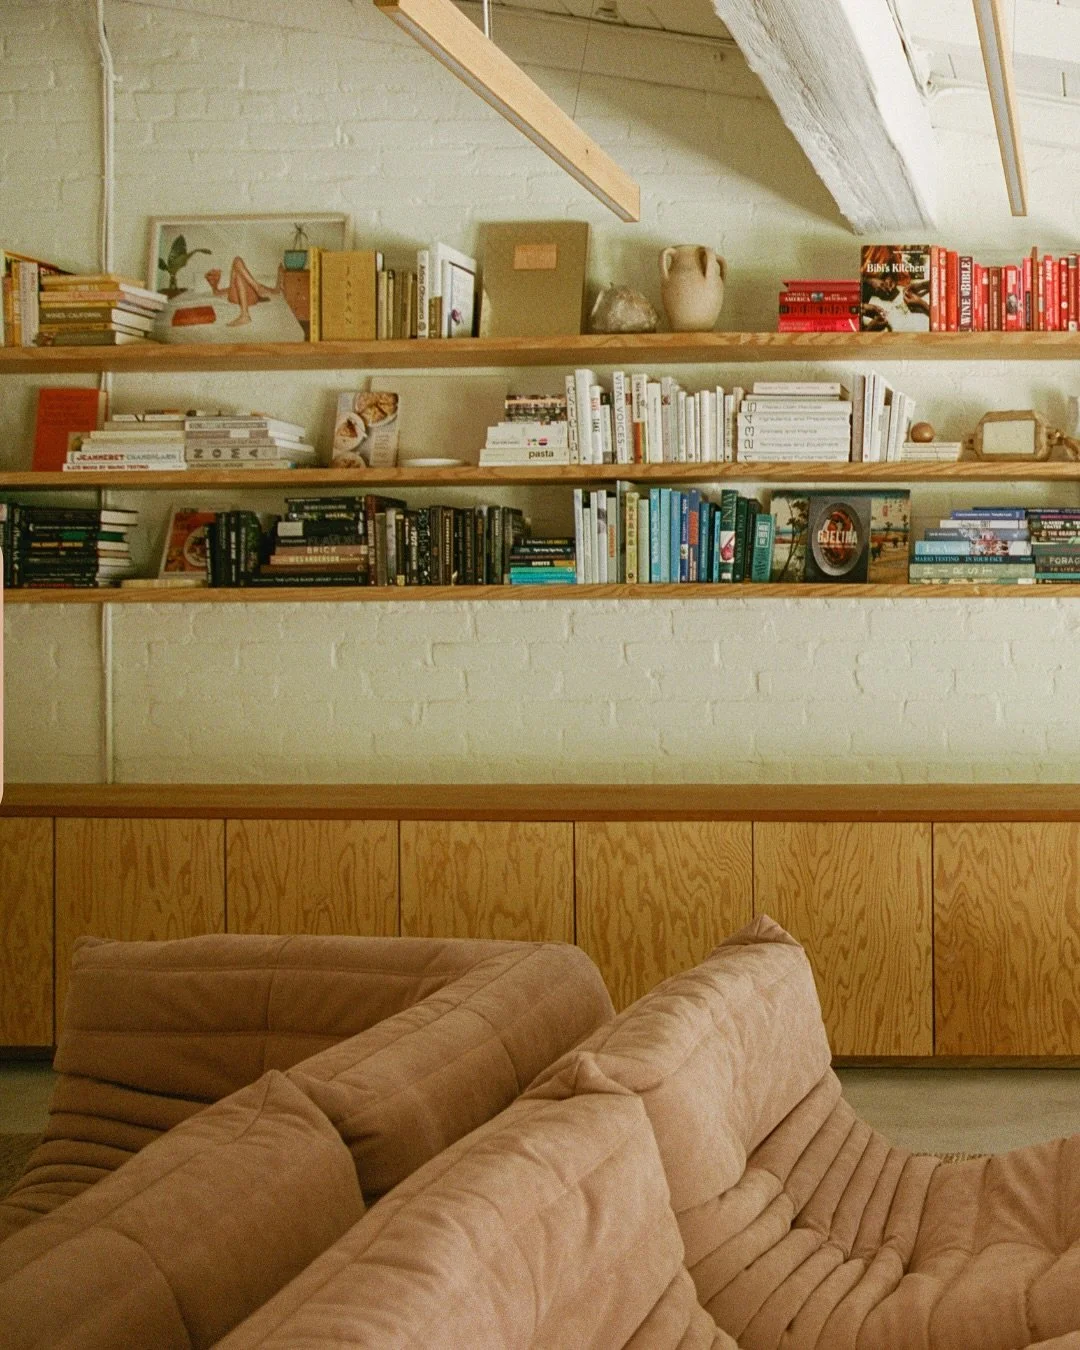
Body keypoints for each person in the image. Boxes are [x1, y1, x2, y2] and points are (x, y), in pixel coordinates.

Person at [204, 257, 286, 327]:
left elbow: (275, 291)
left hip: (252, 296)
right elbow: (217, 293)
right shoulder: (235, 284)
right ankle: (245, 314)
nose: (214, 274)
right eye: (213, 273)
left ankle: (245, 315)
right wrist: (214, 285)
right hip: (240, 297)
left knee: (238, 267)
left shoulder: (246, 281)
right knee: (237, 261)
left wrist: (279, 277)